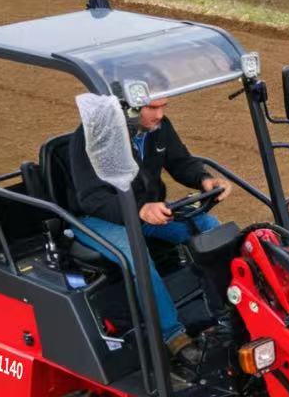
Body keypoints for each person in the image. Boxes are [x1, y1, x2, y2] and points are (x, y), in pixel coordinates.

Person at [67, 97, 228, 365]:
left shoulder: (159, 128)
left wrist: (204, 179)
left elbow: (180, 162)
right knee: (136, 253)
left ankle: (229, 310)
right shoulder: (90, 137)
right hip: (99, 218)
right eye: (152, 108)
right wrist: (140, 210)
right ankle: (173, 336)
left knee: (208, 228)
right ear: (126, 108)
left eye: (163, 106)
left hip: (147, 210)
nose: (160, 115)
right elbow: (91, 199)